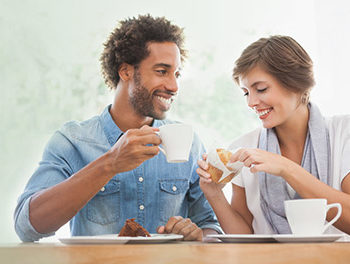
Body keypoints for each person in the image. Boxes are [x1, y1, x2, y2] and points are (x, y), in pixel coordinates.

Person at [14, 14, 221, 242]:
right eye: (162, 71)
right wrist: (110, 163)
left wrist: (196, 234)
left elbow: (211, 227)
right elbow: (27, 227)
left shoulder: (188, 144)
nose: (173, 86)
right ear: (125, 71)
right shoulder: (73, 141)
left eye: (177, 74)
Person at [197, 35, 350, 235]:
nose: (251, 102)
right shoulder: (244, 147)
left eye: (261, 89)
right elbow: (244, 237)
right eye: (246, 92)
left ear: (296, 83)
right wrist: (215, 194)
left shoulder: (343, 134)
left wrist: (287, 168)